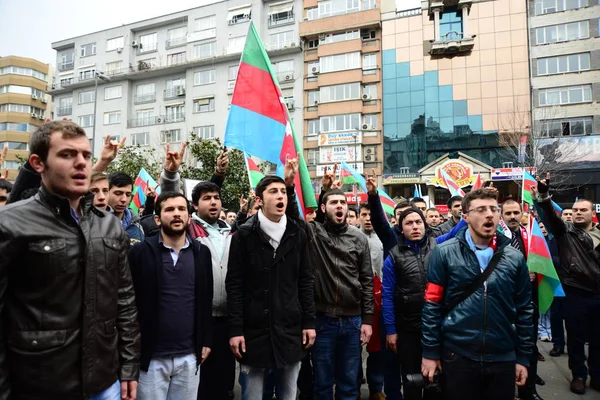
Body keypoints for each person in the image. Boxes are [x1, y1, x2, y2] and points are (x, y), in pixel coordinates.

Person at [0, 120, 140, 399]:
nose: (81, 163)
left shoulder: (109, 226)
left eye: (86, 156)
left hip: (105, 382)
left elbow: (124, 301)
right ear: (38, 163)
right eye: (67, 155)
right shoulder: (10, 224)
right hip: (38, 385)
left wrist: (129, 366)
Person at [421, 188, 534, 400]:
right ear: (465, 217)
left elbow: (525, 309)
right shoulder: (443, 252)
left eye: (494, 209)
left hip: (502, 356)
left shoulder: (515, 257)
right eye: (481, 209)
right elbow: (432, 305)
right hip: (458, 355)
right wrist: (430, 352)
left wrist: (523, 357)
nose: (489, 214)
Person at [285, 163, 374, 400]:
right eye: (334, 202)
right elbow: (293, 217)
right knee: (322, 385)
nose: (340, 206)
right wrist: (289, 185)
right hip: (322, 322)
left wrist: (367, 319)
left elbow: (366, 280)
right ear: (324, 207)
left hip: (353, 321)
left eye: (343, 203)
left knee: (348, 385)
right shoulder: (314, 233)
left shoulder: (358, 238)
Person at [227, 174, 316, 400]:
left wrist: (309, 322)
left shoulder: (298, 232)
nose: (280, 197)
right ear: (259, 199)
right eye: (273, 192)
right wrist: (236, 330)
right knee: (253, 393)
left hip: (290, 327)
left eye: (283, 192)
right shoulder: (244, 234)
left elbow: (305, 280)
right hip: (254, 328)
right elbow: (235, 285)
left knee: (288, 393)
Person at [128, 192, 213, 399]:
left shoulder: (201, 253)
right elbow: (128, 304)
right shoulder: (140, 253)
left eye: (181, 209)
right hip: (151, 358)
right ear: (157, 219)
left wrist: (206, 339)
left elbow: (205, 299)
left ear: (189, 216)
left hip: (189, 356)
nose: (177, 214)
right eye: (169, 209)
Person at [534, 178, 600, 394]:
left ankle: (597, 375)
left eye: (583, 210)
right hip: (575, 292)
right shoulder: (565, 231)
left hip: (598, 294)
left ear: (593, 213)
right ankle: (578, 376)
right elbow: (551, 216)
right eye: (575, 209)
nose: (578, 212)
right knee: (576, 339)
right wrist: (543, 195)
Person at [382, 208, 442, 400]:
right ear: (401, 228)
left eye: (418, 222)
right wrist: (391, 330)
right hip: (407, 328)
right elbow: (388, 295)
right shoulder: (393, 256)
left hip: (436, 327)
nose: (415, 227)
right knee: (412, 380)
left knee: (435, 381)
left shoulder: (438, 247)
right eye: (409, 223)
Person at [500, 200, 543, 400]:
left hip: (526, 302)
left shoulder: (531, 236)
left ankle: (529, 391)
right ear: (501, 215)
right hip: (502, 303)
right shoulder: (496, 237)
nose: (512, 216)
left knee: (528, 347)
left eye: (516, 212)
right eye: (507, 213)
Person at [358, 202, 386, 400]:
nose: (368, 219)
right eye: (365, 215)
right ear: (359, 216)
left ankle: (376, 388)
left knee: (376, 349)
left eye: (371, 215)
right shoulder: (352, 236)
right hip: (355, 300)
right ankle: (354, 388)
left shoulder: (386, 238)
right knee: (353, 350)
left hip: (380, 300)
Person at [108, 171, 145, 245]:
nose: (124, 199)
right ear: (106, 192)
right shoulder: (96, 223)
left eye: (128, 194)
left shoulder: (137, 226)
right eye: (118, 193)